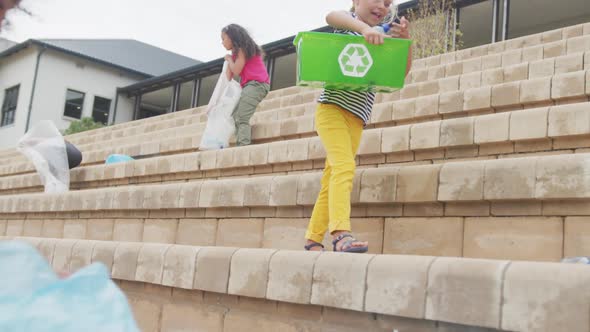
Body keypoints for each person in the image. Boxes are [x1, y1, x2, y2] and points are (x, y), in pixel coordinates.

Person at [304, 0, 412, 253]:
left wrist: (406, 42)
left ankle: (313, 239)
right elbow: (332, 15)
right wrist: (364, 29)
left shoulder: (381, 36)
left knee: (332, 176)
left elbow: (401, 74)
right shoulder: (350, 28)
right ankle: (341, 233)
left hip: (357, 118)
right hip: (332, 110)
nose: (383, 6)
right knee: (344, 167)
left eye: (388, 3)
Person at [221, 23, 270, 146]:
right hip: (250, 85)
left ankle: (243, 146)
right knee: (234, 115)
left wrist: (229, 60)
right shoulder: (235, 54)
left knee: (241, 116)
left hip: (257, 84)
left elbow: (236, 70)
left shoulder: (242, 49)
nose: (222, 42)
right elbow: (228, 77)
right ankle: (241, 143)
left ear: (232, 37)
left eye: (223, 38)